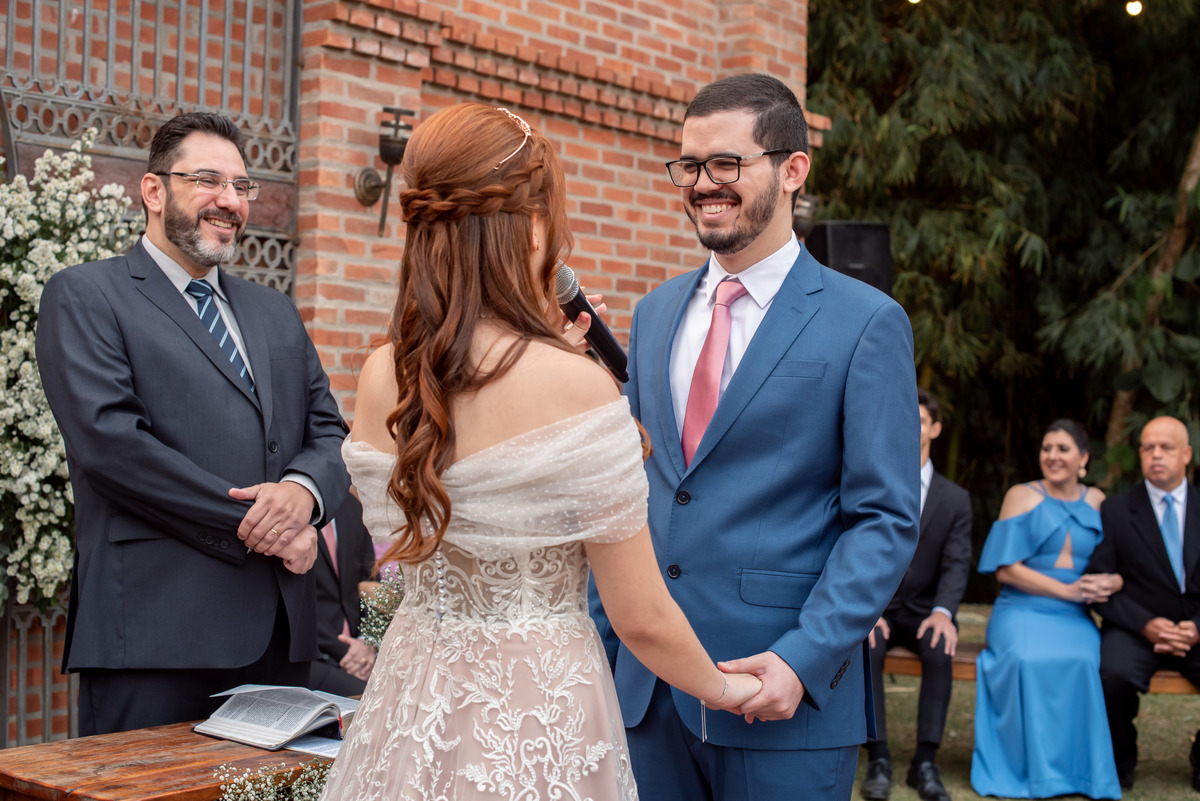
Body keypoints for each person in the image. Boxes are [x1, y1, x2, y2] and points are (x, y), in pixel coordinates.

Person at [317, 103, 763, 801]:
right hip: (535, 713)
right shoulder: (577, 386)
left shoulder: (383, 372)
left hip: (411, 699)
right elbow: (640, 615)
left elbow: (405, 552)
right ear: (528, 225)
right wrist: (727, 686)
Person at [588, 73, 921, 801]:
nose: (703, 184)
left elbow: (885, 518)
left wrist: (803, 660)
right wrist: (601, 649)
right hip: (644, 698)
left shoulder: (866, 322)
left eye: (726, 164)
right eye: (689, 165)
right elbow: (633, 491)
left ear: (793, 168)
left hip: (781, 699)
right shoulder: (652, 315)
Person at [35, 112, 350, 736]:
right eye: (208, 180)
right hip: (155, 634)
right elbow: (111, 445)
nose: (228, 201)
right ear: (154, 191)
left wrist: (301, 495)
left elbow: (329, 433)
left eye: (241, 186)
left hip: (278, 635)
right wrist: (265, 527)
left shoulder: (274, 312)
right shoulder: (86, 295)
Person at [971, 419, 1123, 799]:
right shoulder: (1020, 495)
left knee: (1085, 662)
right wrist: (1067, 591)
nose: (1052, 456)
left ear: (1083, 458)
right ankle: (1027, 771)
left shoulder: (1099, 501)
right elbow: (1005, 569)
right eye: (1046, 448)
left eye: (1062, 449)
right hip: (1021, 609)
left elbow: (1120, 564)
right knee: (1026, 658)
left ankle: (1079, 775)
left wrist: (1112, 583)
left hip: (1073, 617)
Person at [863, 389, 971, 801]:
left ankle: (925, 761)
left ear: (936, 428)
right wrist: (866, 608)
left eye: (922, 420)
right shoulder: (875, 482)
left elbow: (957, 562)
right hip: (879, 608)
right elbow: (860, 546)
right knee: (866, 646)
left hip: (928, 611)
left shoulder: (956, 498)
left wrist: (944, 612)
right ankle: (879, 757)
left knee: (939, 648)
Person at [1089, 416, 1200, 791]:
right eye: (1148, 447)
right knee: (1111, 675)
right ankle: (1121, 760)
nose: (1156, 455)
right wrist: (1146, 623)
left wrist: (1197, 627)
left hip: (1196, 629)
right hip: (1136, 628)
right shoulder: (1116, 510)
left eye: (1166, 447)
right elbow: (1100, 587)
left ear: (1186, 454)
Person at [307, 493, 377, 696]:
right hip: (312, 655)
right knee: (372, 700)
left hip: (360, 651)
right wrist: (346, 652)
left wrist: (368, 641)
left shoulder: (351, 506)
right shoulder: (290, 509)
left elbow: (371, 581)